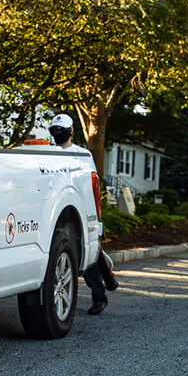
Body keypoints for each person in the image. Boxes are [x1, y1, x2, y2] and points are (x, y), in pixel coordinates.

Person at [49, 113, 119, 315]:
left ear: (71, 131)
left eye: (61, 130)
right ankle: (109, 283)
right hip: (58, 213)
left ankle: (100, 297)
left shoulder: (82, 156)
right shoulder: (48, 156)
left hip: (81, 212)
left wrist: (98, 222)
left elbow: (93, 189)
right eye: (55, 131)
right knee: (87, 254)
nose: (58, 134)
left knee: (88, 254)